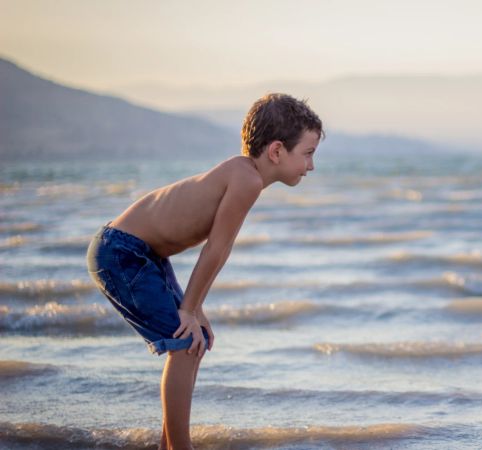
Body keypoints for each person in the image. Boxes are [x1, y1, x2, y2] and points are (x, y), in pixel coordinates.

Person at [86, 93, 323, 449]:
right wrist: (188, 309)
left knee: (196, 341)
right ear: (276, 151)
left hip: (142, 253)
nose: (311, 166)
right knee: (184, 343)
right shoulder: (247, 180)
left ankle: (169, 443)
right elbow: (217, 248)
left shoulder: (244, 174)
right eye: (307, 153)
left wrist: (195, 308)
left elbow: (215, 249)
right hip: (122, 252)